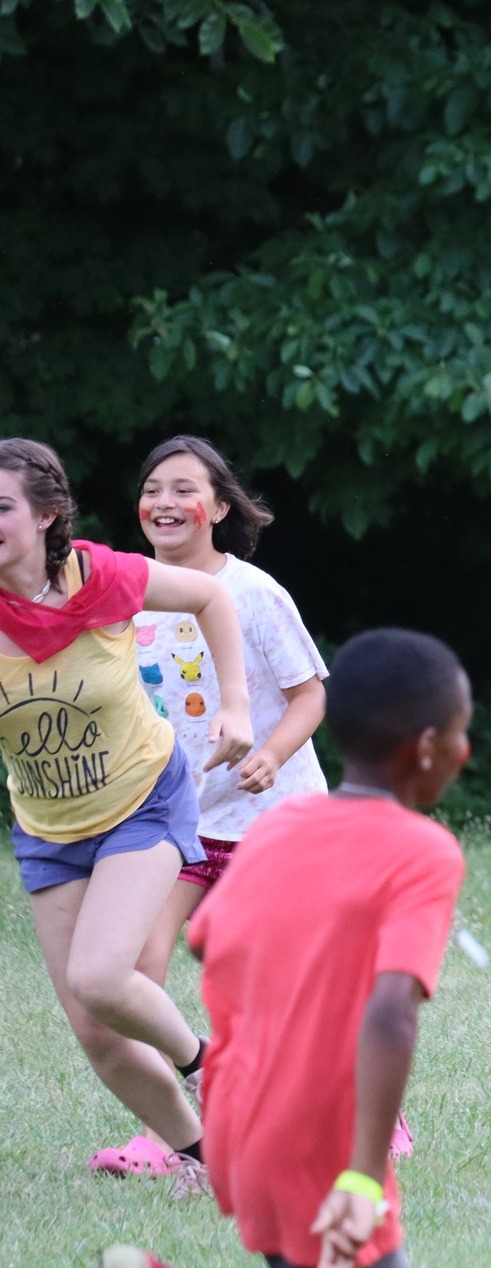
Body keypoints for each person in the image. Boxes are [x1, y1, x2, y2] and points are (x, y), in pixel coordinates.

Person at [65, 627, 473, 1268]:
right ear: (425, 748)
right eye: (460, 734)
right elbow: (391, 1011)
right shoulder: (422, 850)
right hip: (325, 1149)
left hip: (242, 1130)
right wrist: (360, 1170)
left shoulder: (281, 828)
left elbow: (208, 939)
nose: (465, 750)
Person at [0, 437, 253, 1187]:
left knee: (103, 977)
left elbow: (209, 596)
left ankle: (211, 1066)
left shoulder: (99, 576)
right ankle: (206, 1159)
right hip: (49, 829)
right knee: (98, 1034)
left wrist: (235, 703)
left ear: (46, 515)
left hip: (143, 798)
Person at [90, 436, 331, 1181]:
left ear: (219, 507)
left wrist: (270, 753)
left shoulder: (255, 593)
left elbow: (310, 695)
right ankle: (167, 1132)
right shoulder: (124, 596)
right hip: (178, 823)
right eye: (153, 487)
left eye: (184, 488)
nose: (164, 502)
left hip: (275, 823)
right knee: (136, 973)